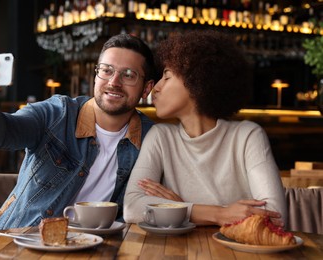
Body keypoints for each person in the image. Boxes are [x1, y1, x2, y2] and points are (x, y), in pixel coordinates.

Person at [0, 34, 156, 232]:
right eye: (106, 70)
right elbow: (2, 134)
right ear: (96, 75)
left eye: (128, 74)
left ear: (146, 89)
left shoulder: (152, 138)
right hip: (17, 241)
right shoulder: (57, 114)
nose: (114, 82)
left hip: (92, 250)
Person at [123, 30, 287, 227]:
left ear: (197, 80)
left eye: (166, 76)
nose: (156, 88)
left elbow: (276, 217)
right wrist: (216, 214)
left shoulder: (247, 136)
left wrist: (178, 208)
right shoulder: (161, 137)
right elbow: (132, 208)